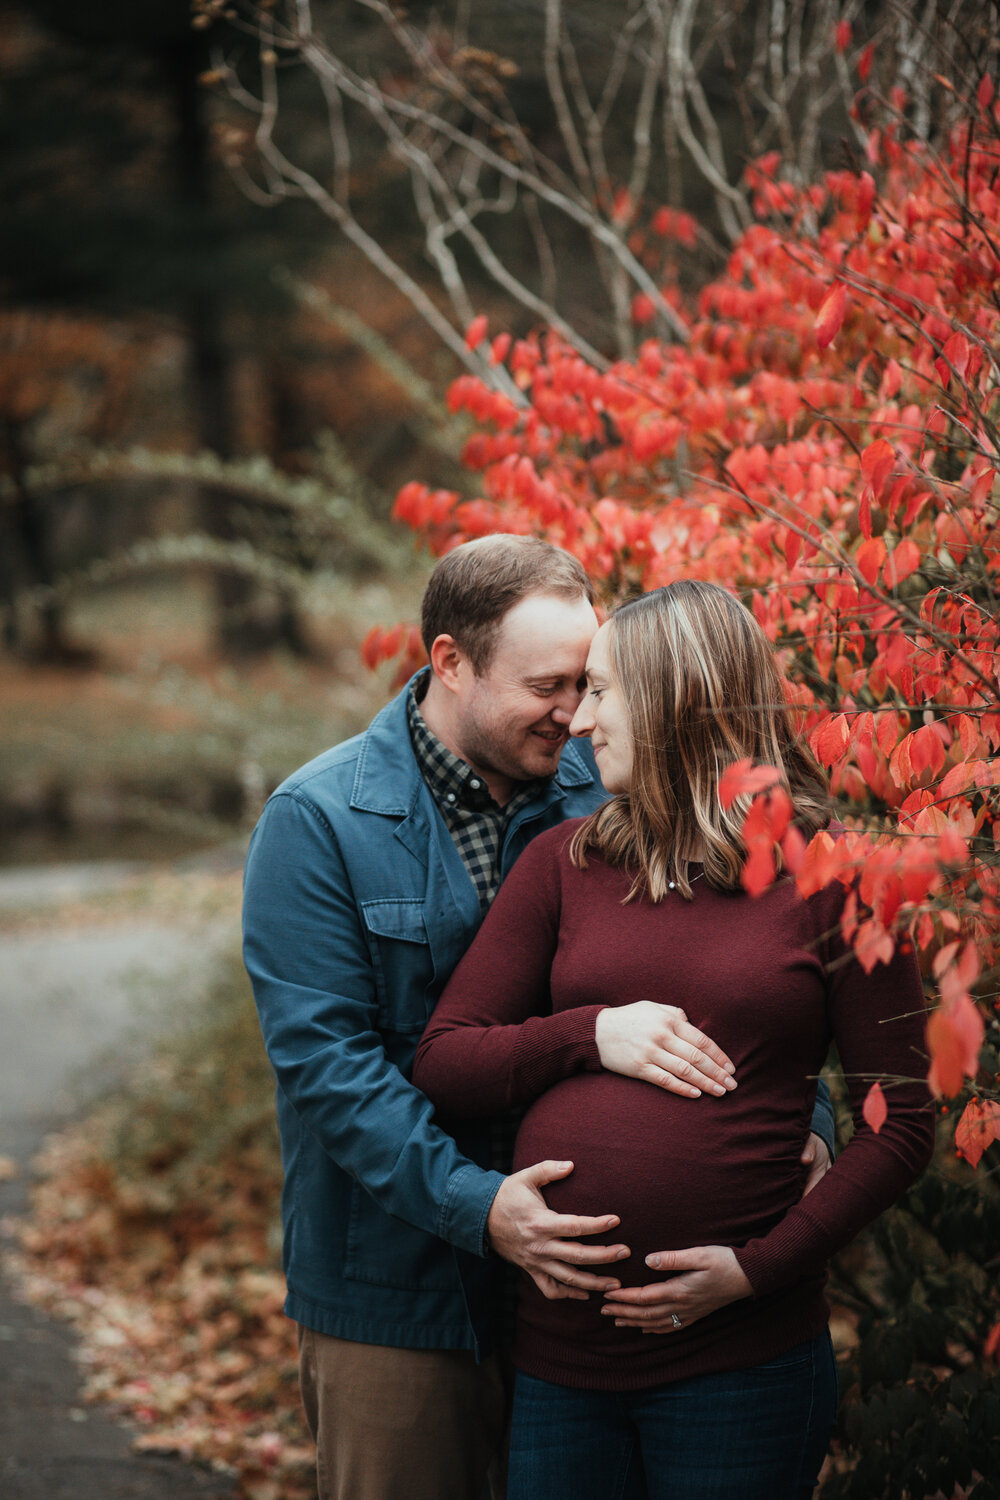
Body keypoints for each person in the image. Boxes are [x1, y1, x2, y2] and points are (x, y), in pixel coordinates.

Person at [243, 540, 834, 1500]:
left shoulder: (600, 785)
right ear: (450, 665)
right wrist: (484, 1210)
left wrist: (799, 1124)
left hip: (585, 1313)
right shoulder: (319, 821)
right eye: (550, 685)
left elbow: (748, 981)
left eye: (588, 682)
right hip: (403, 1290)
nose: (576, 713)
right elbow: (329, 1070)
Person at [413, 580, 936, 1500]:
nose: (578, 723)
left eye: (604, 692)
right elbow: (446, 1059)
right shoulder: (565, 863)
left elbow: (903, 1125)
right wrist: (589, 1034)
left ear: (677, 702)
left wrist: (756, 1272)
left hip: (741, 1364)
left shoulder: (837, 876)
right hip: (561, 1368)